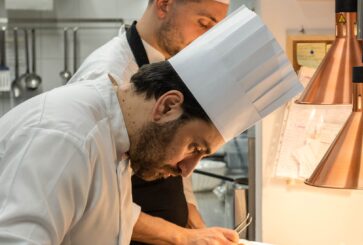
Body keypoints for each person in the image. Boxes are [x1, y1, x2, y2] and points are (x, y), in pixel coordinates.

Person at [0, 6, 302, 244]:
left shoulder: (119, 141)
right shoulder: (66, 138)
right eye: (194, 147)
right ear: (168, 106)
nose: (187, 169)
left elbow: (109, 221)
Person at [68, 0, 229, 242]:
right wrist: (182, 236)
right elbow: (95, 202)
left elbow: (179, 156)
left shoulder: (171, 64)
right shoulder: (108, 73)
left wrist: (195, 222)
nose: (206, 40)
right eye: (203, 24)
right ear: (164, 5)